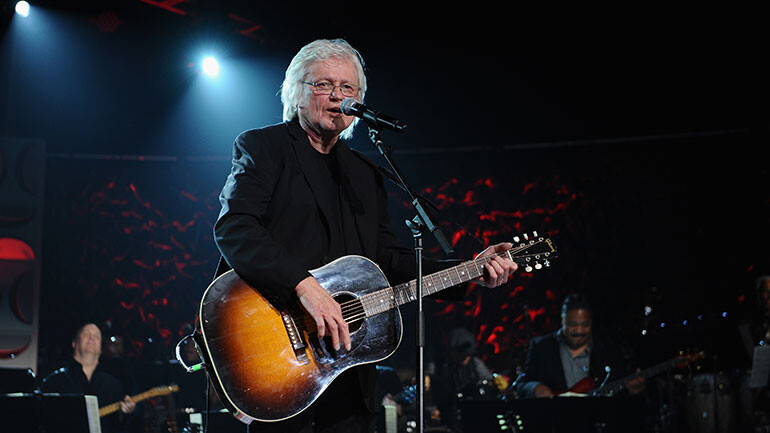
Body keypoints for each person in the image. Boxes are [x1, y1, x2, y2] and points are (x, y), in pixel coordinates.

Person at [213, 38, 518, 433]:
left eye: (348, 89)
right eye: (323, 85)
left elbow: (389, 260)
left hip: (348, 367)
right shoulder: (263, 147)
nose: (337, 96)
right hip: (279, 353)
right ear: (295, 92)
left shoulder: (365, 173)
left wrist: (470, 269)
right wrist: (304, 287)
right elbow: (235, 227)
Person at [516, 293, 644, 398]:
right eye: (572, 325)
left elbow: (620, 390)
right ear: (563, 321)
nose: (579, 331)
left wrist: (634, 389)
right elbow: (521, 385)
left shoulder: (606, 349)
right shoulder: (541, 347)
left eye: (585, 325)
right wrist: (534, 388)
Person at [40, 323, 136, 433]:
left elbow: (117, 426)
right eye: (86, 334)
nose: (91, 337)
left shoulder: (113, 384)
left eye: (96, 336)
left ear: (101, 348)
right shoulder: (54, 377)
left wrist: (124, 414)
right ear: (74, 343)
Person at [432, 327, 496, 432]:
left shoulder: (475, 364)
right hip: (453, 415)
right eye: (462, 355)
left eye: (467, 356)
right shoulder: (445, 367)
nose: (465, 359)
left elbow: (488, 383)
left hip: (476, 412)